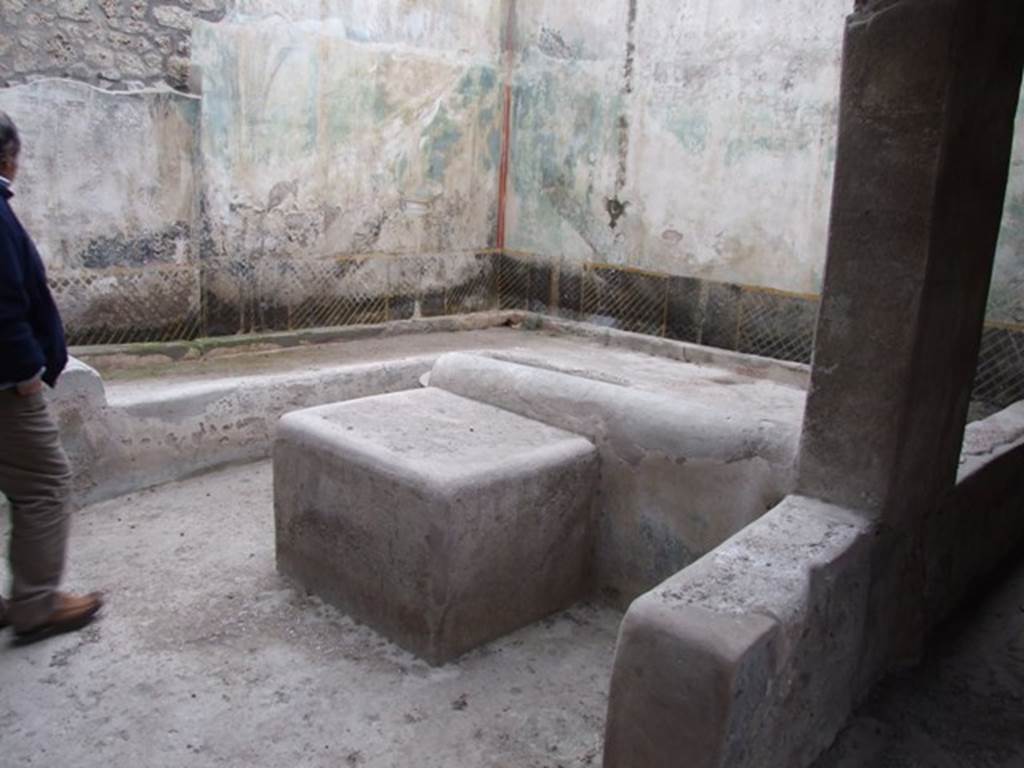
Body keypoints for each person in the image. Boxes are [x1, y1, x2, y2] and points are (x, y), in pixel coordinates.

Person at [0, 110, 102, 644]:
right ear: (9, 156)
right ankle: (37, 605)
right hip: (6, 388)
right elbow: (4, 304)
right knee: (42, 484)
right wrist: (24, 375)